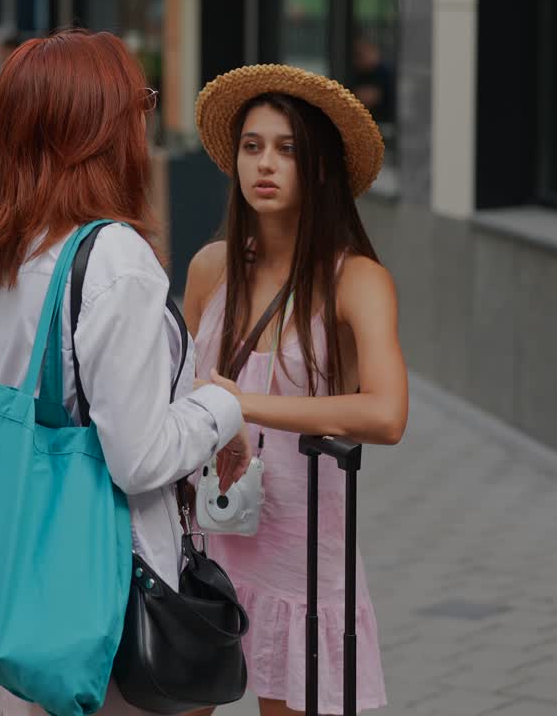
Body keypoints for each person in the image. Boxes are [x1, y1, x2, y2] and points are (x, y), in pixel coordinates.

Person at [0, 29, 251, 716]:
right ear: (102, 128)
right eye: (139, 103)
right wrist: (221, 406)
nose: (145, 121)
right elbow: (139, 458)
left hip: (20, 590)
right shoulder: (113, 259)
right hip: (108, 598)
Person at [185, 64, 409, 716]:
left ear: (319, 167)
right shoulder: (209, 268)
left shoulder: (356, 279)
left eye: (287, 149)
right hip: (205, 531)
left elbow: (387, 413)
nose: (266, 164)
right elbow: (176, 393)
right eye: (252, 146)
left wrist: (238, 403)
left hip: (299, 551)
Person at [352, 35, 395, 128]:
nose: (359, 59)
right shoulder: (356, 73)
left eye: (363, 54)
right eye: (357, 55)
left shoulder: (386, 72)